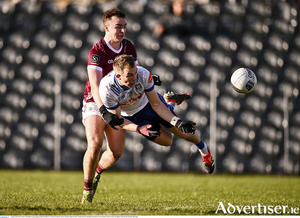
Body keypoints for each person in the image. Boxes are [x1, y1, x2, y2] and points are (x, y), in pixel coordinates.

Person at [81, 8, 185, 204]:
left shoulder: (129, 46)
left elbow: (133, 75)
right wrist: (103, 109)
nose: (122, 31)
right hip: (95, 103)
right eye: (117, 27)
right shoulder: (97, 51)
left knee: (116, 152)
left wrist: (150, 79)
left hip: (118, 102)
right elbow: (95, 86)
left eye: (124, 27)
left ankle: (96, 172)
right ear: (106, 27)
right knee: (94, 145)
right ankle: (87, 193)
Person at [99, 55, 215, 177]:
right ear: (118, 76)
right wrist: (138, 129)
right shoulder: (107, 90)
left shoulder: (143, 74)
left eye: (135, 73)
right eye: (129, 75)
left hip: (150, 104)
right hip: (134, 116)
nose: (134, 78)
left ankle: (205, 151)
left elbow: (156, 104)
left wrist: (177, 122)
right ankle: (170, 102)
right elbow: (119, 121)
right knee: (167, 141)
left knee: (183, 133)